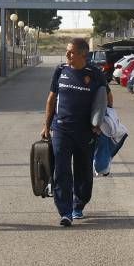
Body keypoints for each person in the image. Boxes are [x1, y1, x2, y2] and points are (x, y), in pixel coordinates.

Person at [41, 38, 107, 226]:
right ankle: (65, 211)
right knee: (61, 170)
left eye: (71, 52)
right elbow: (51, 99)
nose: (68, 54)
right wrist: (47, 125)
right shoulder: (60, 71)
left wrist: (99, 122)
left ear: (83, 54)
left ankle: (79, 203)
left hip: (85, 132)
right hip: (61, 128)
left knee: (83, 171)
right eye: (67, 51)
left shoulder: (95, 73)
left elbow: (106, 98)